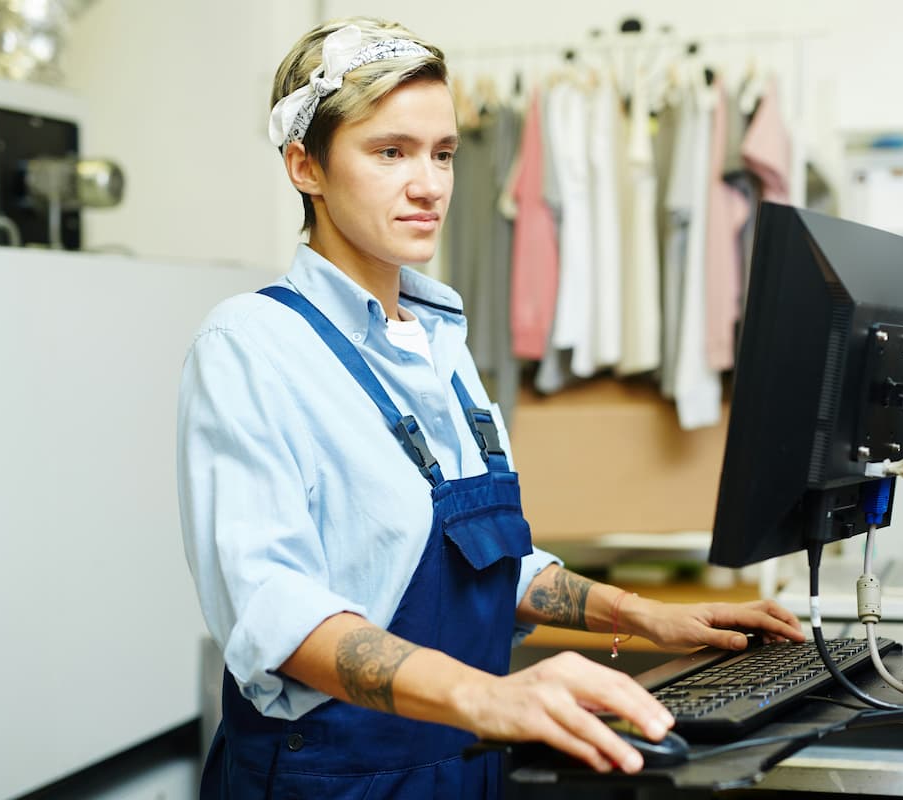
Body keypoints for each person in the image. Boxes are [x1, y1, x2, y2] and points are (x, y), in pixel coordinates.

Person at [177, 16, 805, 799]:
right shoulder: (251, 346)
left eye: (443, 154)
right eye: (390, 152)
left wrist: (644, 616)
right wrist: (486, 693)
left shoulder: (437, 336)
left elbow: (487, 563)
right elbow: (274, 611)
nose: (430, 185)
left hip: (469, 761)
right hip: (334, 778)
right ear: (306, 165)